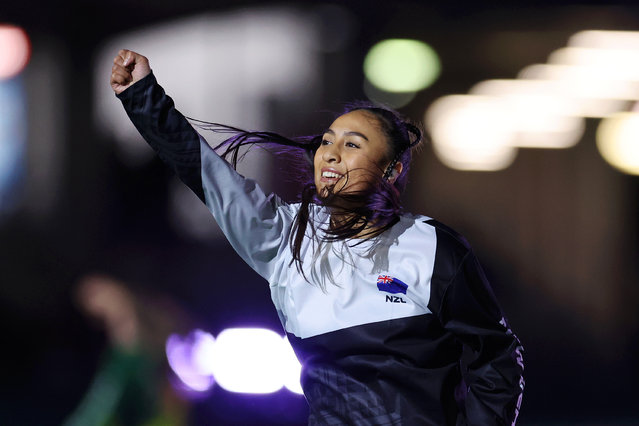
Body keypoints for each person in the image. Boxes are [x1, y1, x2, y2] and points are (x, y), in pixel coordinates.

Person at [110, 49, 524, 425]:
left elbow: (498, 356)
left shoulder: (433, 246)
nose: (329, 153)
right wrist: (143, 97)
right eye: (326, 142)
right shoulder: (285, 238)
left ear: (392, 169)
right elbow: (205, 174)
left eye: (352, 144)